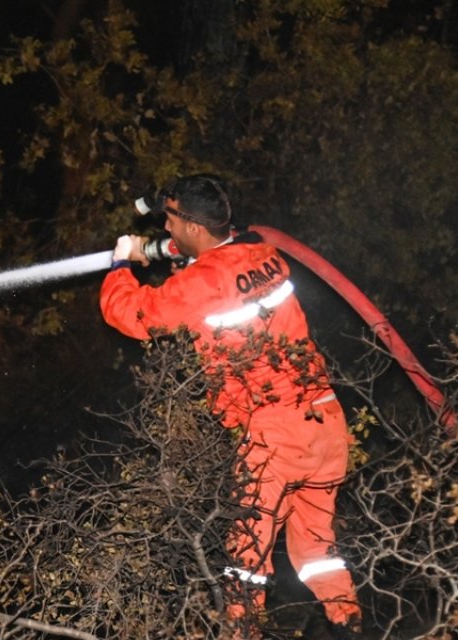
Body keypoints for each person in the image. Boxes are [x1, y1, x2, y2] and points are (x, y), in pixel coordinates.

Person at [99, 175, 362, 633]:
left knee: (247, 559)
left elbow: (133, 314)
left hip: (275, 435)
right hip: (325, 422)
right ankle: (351, 623)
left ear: (195, 228)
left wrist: (122, 265)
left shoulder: (202, 282)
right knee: (317, 551)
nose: (167, 227)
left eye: (171, 221)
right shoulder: (264, 254)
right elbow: (220, 270)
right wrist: (168, 254)